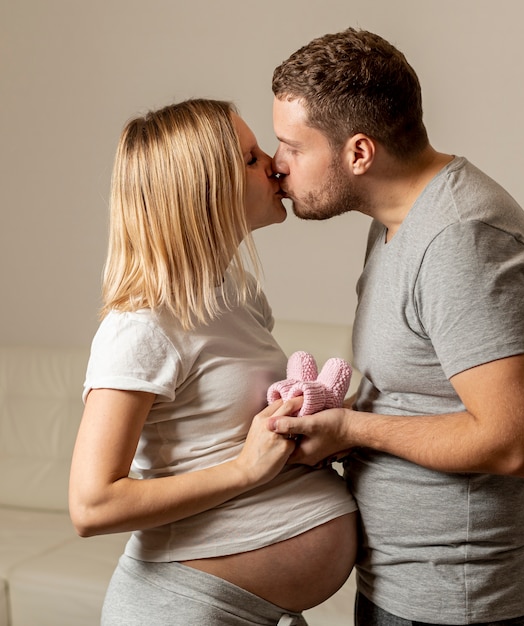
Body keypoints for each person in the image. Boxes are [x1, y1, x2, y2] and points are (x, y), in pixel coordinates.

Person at [269, 28, 524, 626]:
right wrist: (337, 424)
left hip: (459, 605)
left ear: (358, 153)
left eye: (292, 147)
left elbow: (519, 442)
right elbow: (420, 395)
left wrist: (354, 425)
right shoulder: (397, 223)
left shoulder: (461, 241)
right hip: (405, 589)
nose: (279, 167)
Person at [68, 98, 357, 626]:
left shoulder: (237, 296)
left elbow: (224, 435)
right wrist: (245, 468)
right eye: (249, 159)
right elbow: (91, 505)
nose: (273, 163)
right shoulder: (141, 326)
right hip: (178, 609)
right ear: (204, 191)